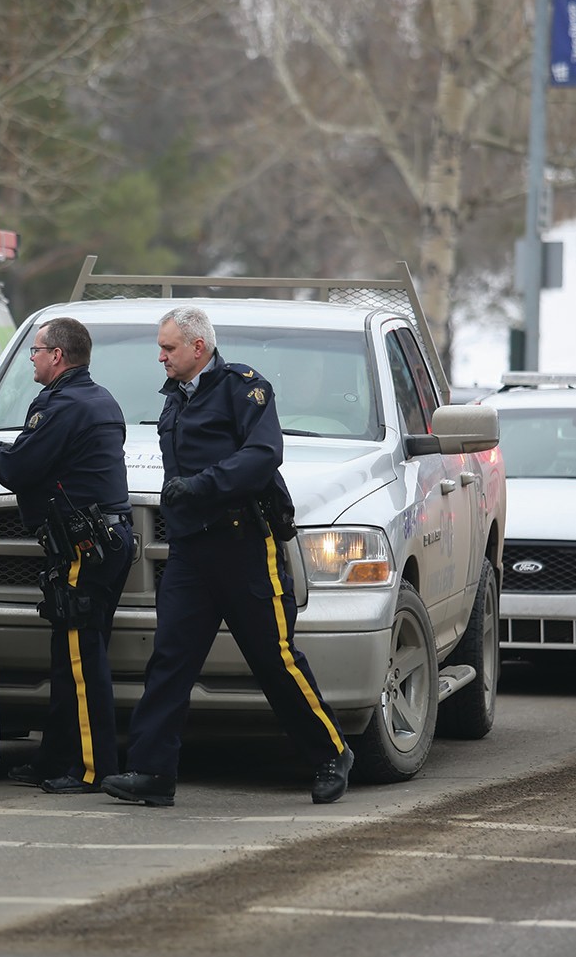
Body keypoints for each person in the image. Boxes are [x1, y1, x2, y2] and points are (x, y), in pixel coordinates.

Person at [100, 306, 355, 807]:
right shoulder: (174, 398)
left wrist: (199, 487)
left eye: (168, 348)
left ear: (199, 347)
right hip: (191, 553)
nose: (161, 357)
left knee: (273, 659)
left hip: (243, 547)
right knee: (170, 660)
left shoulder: (243, 388)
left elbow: (263, 456)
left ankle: (331, 754)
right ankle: (152, 773)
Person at [0, 317, 133, 794]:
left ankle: (91, 768)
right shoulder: (101, 399)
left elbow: (21, 468)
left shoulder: (60, 405)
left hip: (87, 546)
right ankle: (54, 759)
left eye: (36, 351)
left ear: (57, 356)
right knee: (71, 658)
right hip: (105, 541)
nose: (32, 359)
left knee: (83, 662)